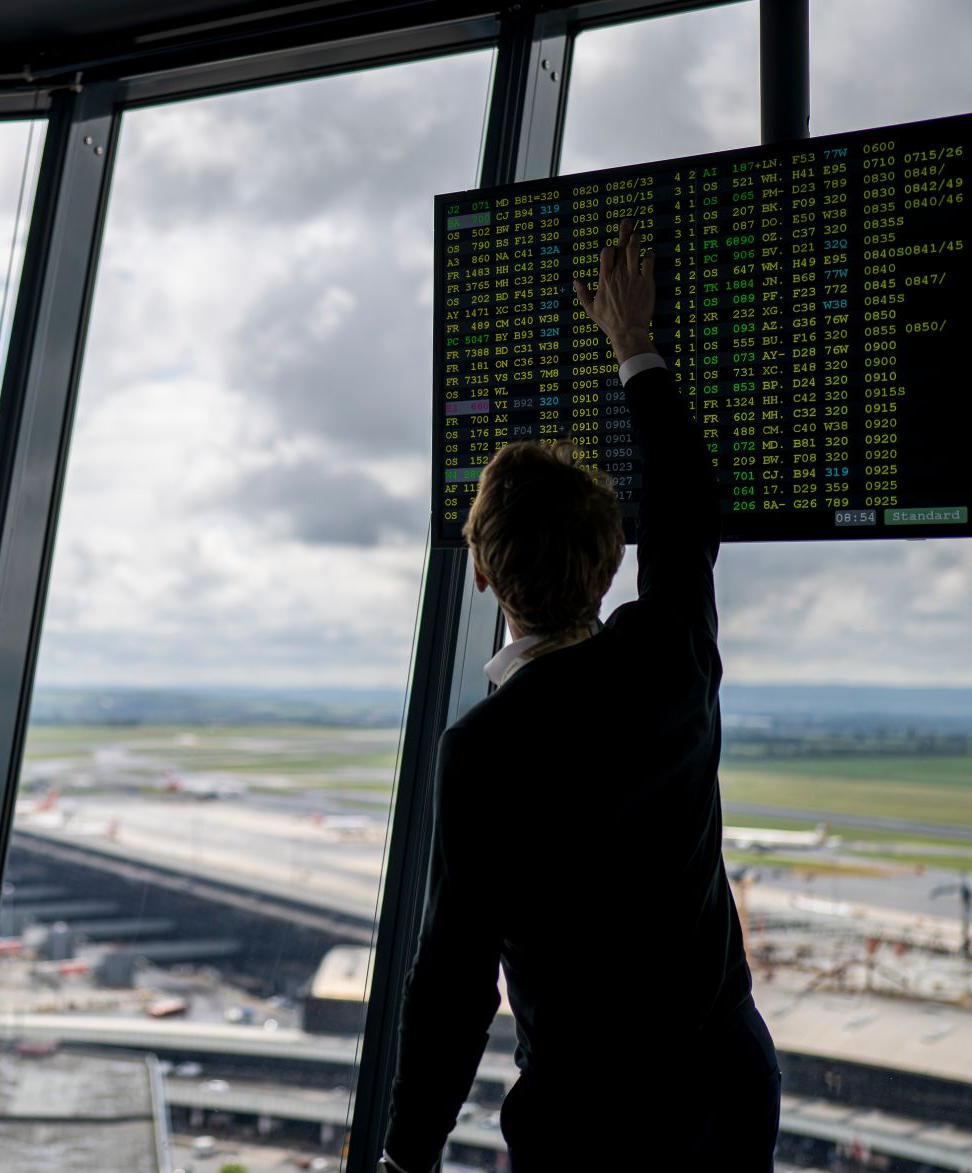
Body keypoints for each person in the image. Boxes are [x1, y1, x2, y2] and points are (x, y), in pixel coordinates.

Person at [381, 220, 781, 1172]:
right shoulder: (668, 658)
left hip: (593, 1120)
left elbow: (455, 981)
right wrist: (633, 342)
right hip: (727, 1083)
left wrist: (405, 1155)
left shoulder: (484, 747)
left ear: (482, 575)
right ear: (608, 567)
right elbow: (684, 512)